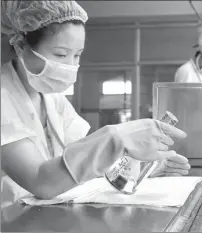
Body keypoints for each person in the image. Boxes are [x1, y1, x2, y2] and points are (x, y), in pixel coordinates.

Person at [0, 0, 190, 208]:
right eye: (60, 54)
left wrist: (139, 167)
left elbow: (87, 160)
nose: (70, 66)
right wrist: (115, 138)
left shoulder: (52, 98)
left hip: (41, 218)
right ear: (20, 46)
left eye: (77, 55)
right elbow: (41, 181)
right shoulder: (4, 97)